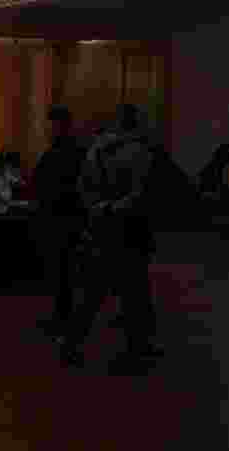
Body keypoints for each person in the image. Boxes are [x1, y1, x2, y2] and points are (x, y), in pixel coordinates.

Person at [57, 104, 163, 369]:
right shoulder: (141, 151)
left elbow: (83, 187)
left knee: (95, 292)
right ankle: (137, 348)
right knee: (133, 293)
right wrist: (117, 208)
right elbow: (141, 194)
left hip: (101, 227)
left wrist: (99, 209)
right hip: (128, 229)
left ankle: (72, 344)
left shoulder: (96, 149)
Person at [32, 106, 88, 338]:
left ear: (61, 125)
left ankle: (64, 321)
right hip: (65, 218)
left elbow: (44, 182)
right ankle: (63, 317)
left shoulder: (64, 152)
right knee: (62, 275)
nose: (49, 130)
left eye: (52, 125)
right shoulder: (71, 150)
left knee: (62, 274)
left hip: (62, 219)